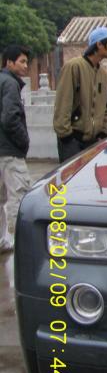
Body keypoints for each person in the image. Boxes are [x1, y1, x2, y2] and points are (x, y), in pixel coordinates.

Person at [53, 26, 107, 163]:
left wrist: (103, 133)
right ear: (99, 44)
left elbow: (104, 108)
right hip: (72, 140)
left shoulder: (103, 75)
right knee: (71, 177)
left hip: (94, 142)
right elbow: (63, 104)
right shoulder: (73, 67)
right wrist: (67, 137)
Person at [0, 44, 32, 253]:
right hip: (10, 151)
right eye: (22, 61)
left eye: (27, 62)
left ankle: (2, 241)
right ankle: (23, 243)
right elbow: (10, 118)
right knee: (19, 197)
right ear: (9, 63)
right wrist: (23, 141)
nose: (26, 66)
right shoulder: (10, 83)